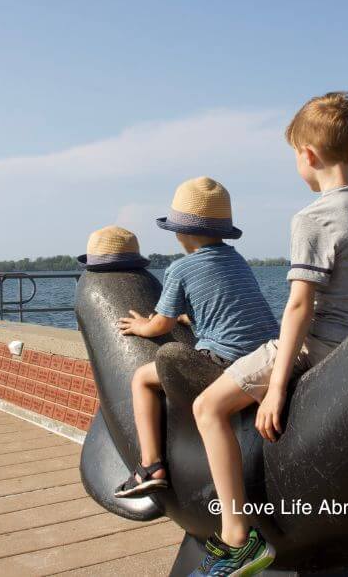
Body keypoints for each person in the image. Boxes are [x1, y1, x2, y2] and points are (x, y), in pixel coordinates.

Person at [190, 92, 348, 576]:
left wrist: (276, 389)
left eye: (294, 156)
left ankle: (237, 536)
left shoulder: (313, 217)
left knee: (207, 407)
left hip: (317, 345)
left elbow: (300, 307)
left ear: (307, 155)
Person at [113, 176, 279, 522]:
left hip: (225, 359)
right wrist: (193, 319)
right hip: (267, 354)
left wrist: (141, 326)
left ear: (180, 232)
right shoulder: (237, 260)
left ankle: (150, 465)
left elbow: (160, 324)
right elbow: (228, 306)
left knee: (141, 380)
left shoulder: (180, 269)